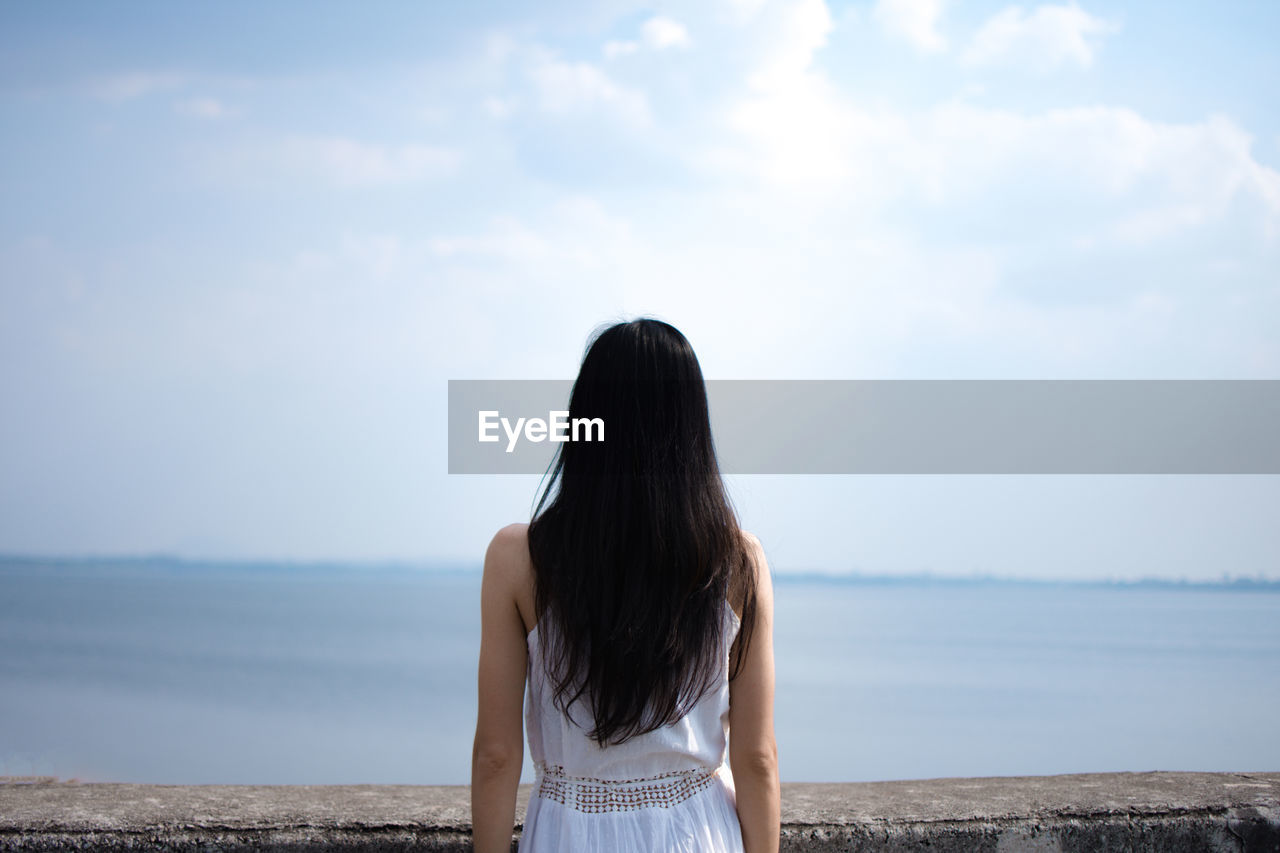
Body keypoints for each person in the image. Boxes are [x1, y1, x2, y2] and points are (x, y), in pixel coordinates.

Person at [470, 318, 779, 853]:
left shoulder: (517, 558)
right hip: (696, 834)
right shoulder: (737, 562)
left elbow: (496, 756)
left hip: (569, 835)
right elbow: (757, 759)